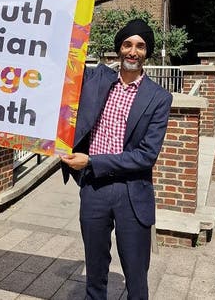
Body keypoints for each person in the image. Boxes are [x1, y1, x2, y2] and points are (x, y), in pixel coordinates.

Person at [61, 19, 173, 300]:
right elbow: (63, 73)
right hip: (94, 190)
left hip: (132, 192)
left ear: (146, 52)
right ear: (119, 49)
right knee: (95, 271)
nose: (132, 51)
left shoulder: (159, 98)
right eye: (127, 44)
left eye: (140, 46)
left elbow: (146, 156)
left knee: (136, 277)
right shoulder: (98, 80)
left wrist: (91, 162)